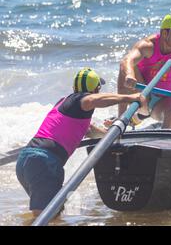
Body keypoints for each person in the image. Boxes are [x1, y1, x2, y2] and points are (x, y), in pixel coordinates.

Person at [16, 68, 148, 217]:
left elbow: (90, 131)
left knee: (54, 213)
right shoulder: (82, 100)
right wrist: (130, 98)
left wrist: (111, 134)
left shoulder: (66, 104)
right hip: (44, 161)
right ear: (96, 89)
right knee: (45, 217)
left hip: (26, 160)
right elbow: (92, 100)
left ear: (74, 87)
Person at [117, 13, 171, 129]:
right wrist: (129, 75)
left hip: (165, 100)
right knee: (126, 67)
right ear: (164, 33)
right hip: (142, 94)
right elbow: (127, 60)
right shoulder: (148, 46)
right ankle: (120, 123)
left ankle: (166, 144)